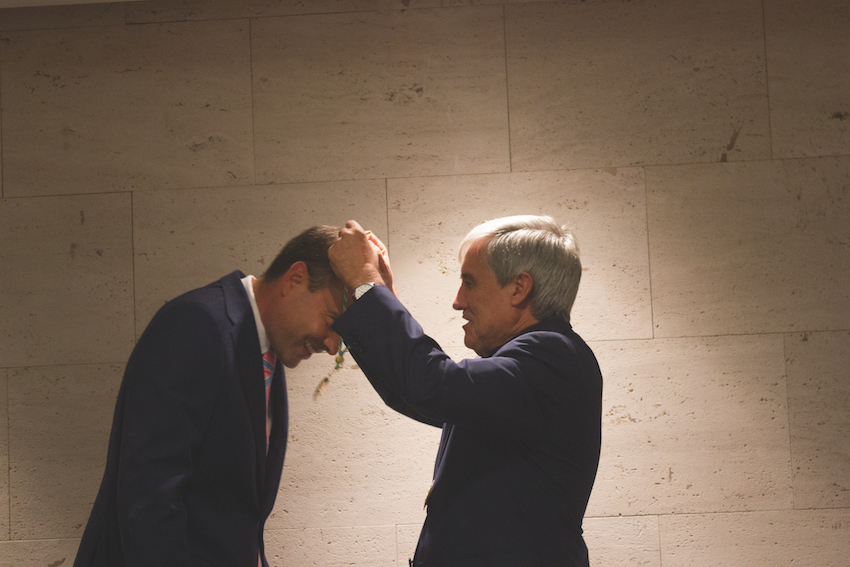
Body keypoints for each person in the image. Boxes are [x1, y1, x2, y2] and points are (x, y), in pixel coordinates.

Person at [328, 216, 603, 567]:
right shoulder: (530, 367)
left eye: (469, 283)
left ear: (519, 288)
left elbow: (432, 384)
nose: (458, 302)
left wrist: (367, 284)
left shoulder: (552, 356)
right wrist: (379, 295)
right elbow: (415, 392)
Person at [74, 225, 345, 567]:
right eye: (332, 320)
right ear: (295, 278)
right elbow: (149, 500)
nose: (332, 345)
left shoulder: (266, 348)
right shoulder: (196, 324)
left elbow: (231, 515)